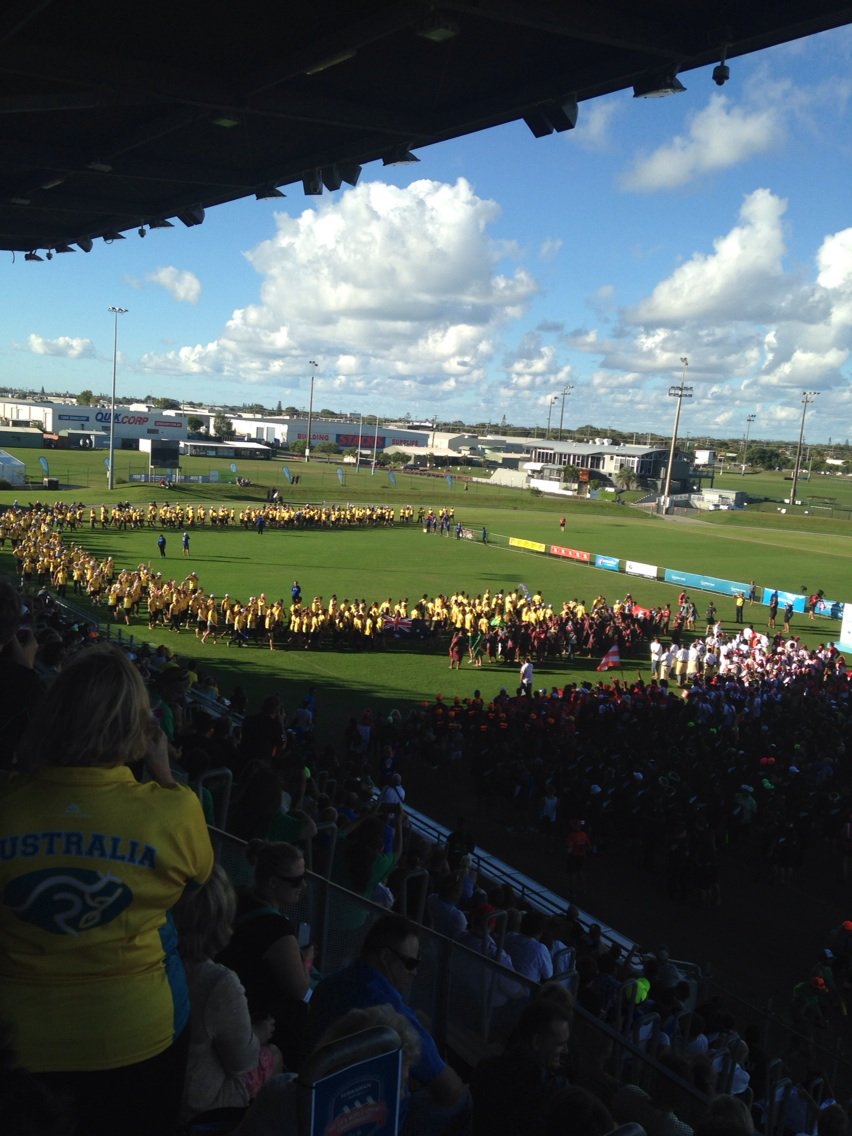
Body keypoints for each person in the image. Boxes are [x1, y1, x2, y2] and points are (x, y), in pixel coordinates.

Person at [0, 645, 214, 1136]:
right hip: (135, 1036)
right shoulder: (174, 811)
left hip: (19, 1043)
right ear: (138, 727)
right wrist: (163, 775)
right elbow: (201, 878)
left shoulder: (8, 800)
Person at [308, 915, 469, 1131]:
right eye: (411, 963)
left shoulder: (329, 985)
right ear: (385, 956)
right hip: (368, 1122)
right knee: (463, 1100)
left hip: (315, 1105)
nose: (415, 972)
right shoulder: (391, 1013)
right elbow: (450, 1089)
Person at [173, 865, 282, 1123]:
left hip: (156, 1084)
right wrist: (258, 1034)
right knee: (275, 1055)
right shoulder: (218, 983)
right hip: (196, 1105)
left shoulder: (151, 957)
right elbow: (242, 1062)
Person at [218, 840, 310, 1072]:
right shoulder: (276, 929)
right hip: (256, 1020)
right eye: (296, 881)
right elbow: (299, 989)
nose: (304, 885)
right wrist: (306, 960)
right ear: (272, 882)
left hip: (229, 1007)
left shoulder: (237, 897)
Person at [471, 999, 571, 1136]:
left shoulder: (485, 1069)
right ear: (537, 1042)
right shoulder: (554, 1093)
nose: (566, 1050)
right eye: (560, 1044)